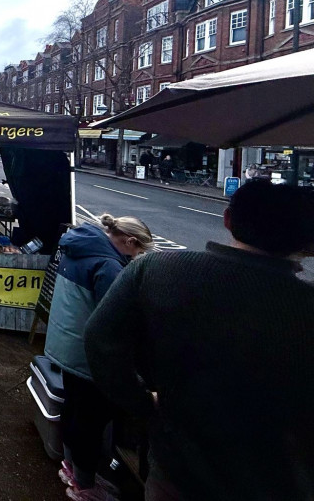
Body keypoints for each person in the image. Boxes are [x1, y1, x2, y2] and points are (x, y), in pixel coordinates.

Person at [85, 180, 314, 501]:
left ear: (228, 219)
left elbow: (100, 342)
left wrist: (141, 402)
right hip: (282, 481)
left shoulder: (155, 269)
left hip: (177, 469)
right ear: (306, 241)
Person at [44, 214, 153, 501]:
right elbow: (114, 320)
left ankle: (70, 467)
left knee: (73, 409)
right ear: (129, 241)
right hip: (86, 355)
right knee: (91, 420)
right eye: (140, 252)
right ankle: (85, 485)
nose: (138, 259)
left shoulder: (79, 246)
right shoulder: (108, 265)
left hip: (64, 343)